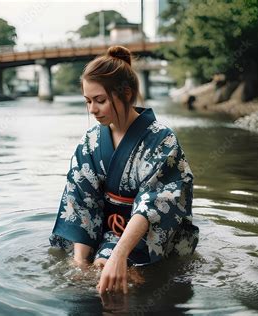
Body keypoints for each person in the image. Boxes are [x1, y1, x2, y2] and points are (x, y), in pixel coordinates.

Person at [49, 45, 199, 294]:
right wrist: (79, 264)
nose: (92, 109)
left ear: (126, 94)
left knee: (121, 276)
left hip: (151, 230)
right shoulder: (91, 141)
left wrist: (119, 254)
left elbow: (156, 202)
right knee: (92, 273)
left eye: (100, 100)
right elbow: (80, 199)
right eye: (87, 101)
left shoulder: (161, 139)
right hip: (106, 226)